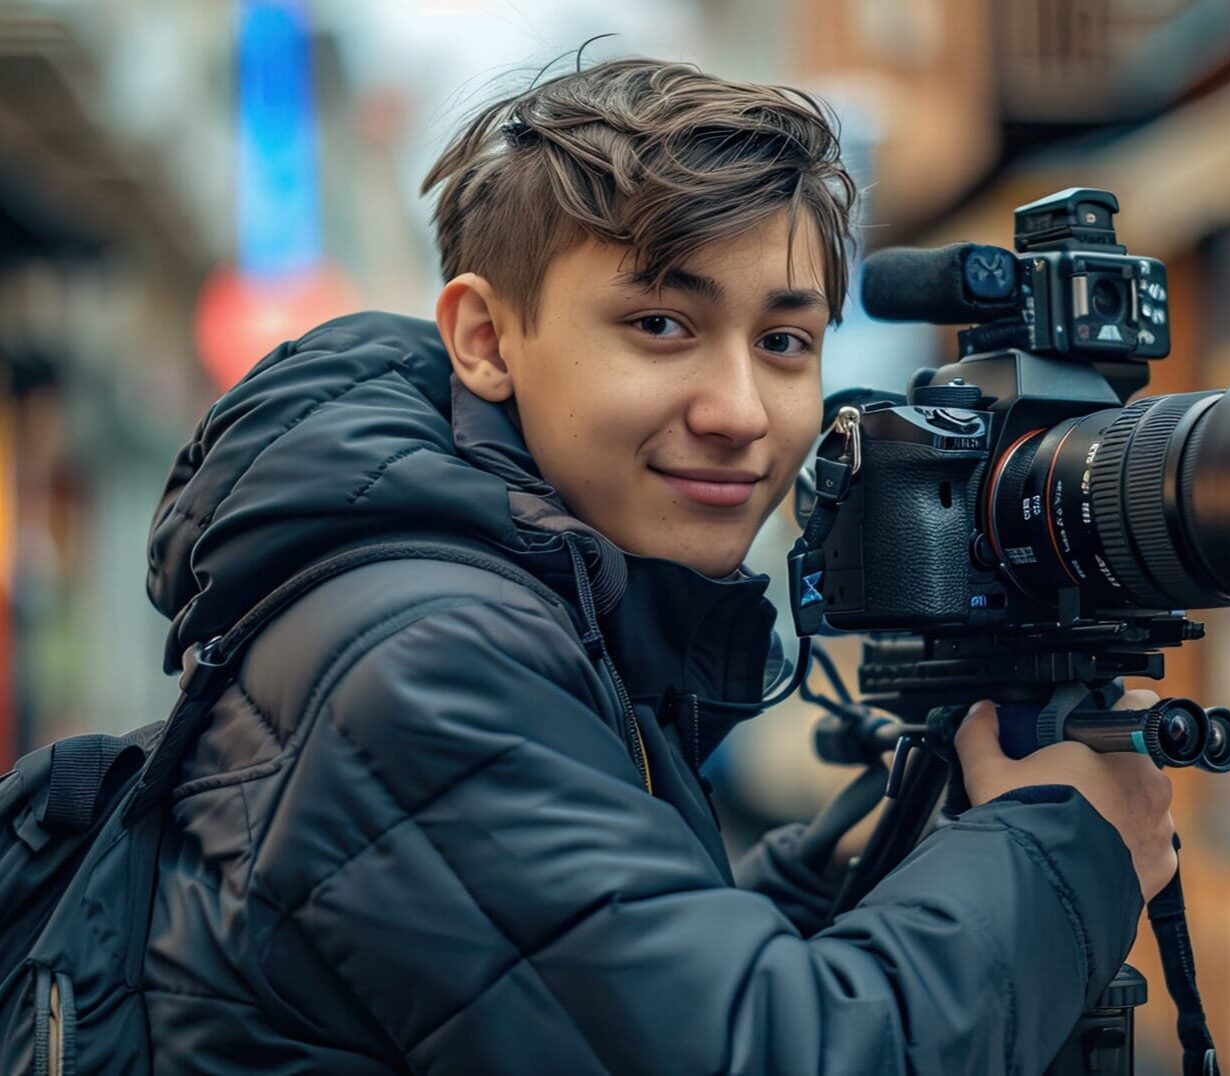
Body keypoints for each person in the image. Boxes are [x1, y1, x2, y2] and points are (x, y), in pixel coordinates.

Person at [142, 57, 1175, 1074]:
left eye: (782, 340)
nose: (735, 412)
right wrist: (1063, 852)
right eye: (660, 324)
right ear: (485, 338)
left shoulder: (534, 601)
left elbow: (554, 996)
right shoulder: (426, 654)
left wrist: (834, 885)